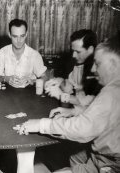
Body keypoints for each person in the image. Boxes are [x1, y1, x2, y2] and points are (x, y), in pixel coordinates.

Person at [19, 34, 120, 172]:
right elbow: (108, 116)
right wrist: (75, 111)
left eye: (98, 64)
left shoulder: (111, 92)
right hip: (106, 156)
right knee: (74, 157)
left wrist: (41, 124)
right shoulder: (114, 87)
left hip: (111, 164)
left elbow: (82, 129)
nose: (93, 69)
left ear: (114, 64)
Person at [45, 29, 101, 112]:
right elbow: (69, 86)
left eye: (78, 52)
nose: (74, 55)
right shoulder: (79, 62)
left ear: (90, 49)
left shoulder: (99, 70)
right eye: (73, 51)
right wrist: (59, 81)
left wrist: (60, 95)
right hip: (76, 111)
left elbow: (91, 102)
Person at [0, 19, 47, 88]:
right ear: (10, 35)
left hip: (29, 94)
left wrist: (32, 81)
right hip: (6, 94)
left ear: (26, 34)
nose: (19, 40)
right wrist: (6, 78)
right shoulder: (2, 52)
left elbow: (45, 78)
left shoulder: (34, 55)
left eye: (22, 36)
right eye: (15, 36)